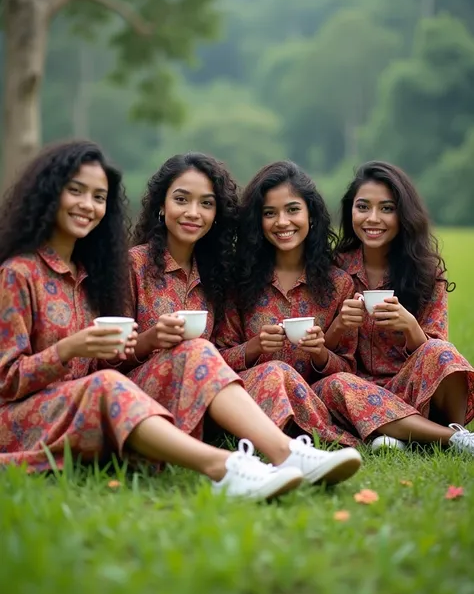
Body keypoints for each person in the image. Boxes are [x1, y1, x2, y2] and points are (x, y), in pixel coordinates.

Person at [0, 140, 310, 501]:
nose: (88, 205)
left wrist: (122, 347)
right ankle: (225, 467)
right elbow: (7, 380)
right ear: (49, 194)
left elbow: (104, 360)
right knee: (107, 384)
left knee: (197, 351)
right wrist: (73, 348)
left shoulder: (91, 276)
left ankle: (287, 454)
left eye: (99, 197)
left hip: (103, 408)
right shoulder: (17, 274)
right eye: (76, 191)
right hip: (27, 419)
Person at [125, 152, 361, 486]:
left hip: (201, 403)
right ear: (161, 206)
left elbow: (217, 362)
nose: (194, 212)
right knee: (197, 350)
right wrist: (150, 340)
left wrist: (320, 345)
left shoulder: (214, 276)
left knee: (271, 371)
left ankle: (293, 452)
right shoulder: (132, 266)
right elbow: (106, 357)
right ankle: (287, 454)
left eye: (206, 203)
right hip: (140, 402)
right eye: (181, 200)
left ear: (216, 214)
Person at [215, 160, 370, 459]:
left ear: (311, 215)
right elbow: (214, 361)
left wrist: (320, 352)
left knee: (343, 384)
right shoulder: (237, 281)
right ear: (257, 223)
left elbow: (348, 368)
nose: (282, 222)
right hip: (251, 401)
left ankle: (443, 436)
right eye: (269, 213)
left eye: (292, 210)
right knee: (275, 370)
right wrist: (253, 347)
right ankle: (308, 446)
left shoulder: (338, 284)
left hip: (315, 398)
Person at [318, 160, 474, 454]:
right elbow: (318, 353)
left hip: (414, 389)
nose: (373, 218)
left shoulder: (425, 273)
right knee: (335, 384)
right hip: (358, 391)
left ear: (403, 215)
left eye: (386, 208)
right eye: (363, 207)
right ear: (351, 210)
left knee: (440, 351)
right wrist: (339, 325)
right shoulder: (332, 271)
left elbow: (440, 358)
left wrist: (411, 327)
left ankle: (455, 434)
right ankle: (443, 438)